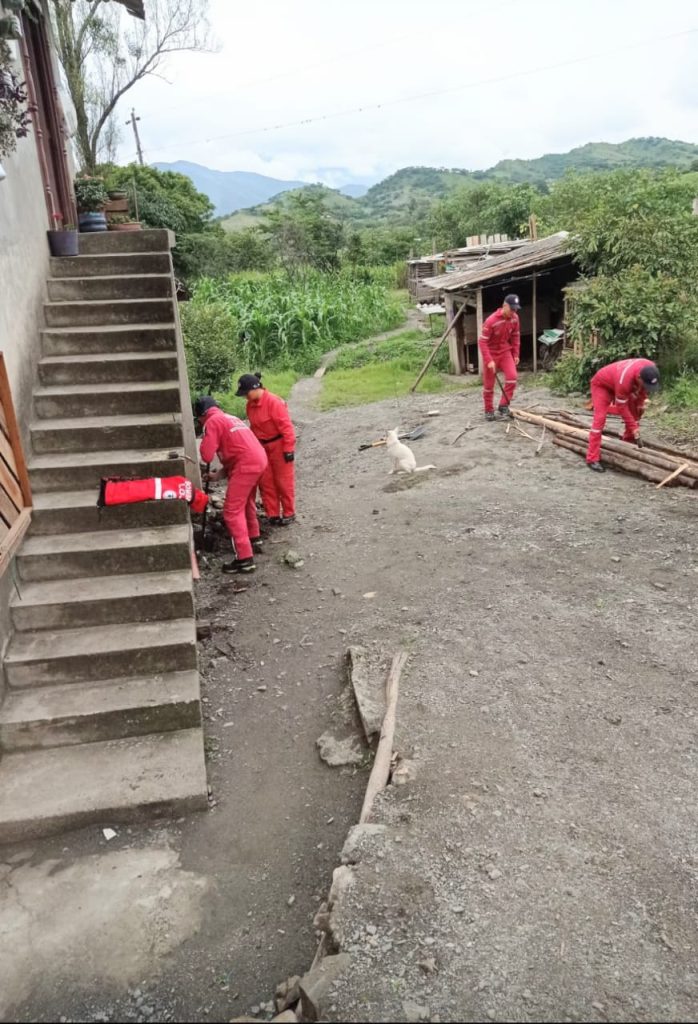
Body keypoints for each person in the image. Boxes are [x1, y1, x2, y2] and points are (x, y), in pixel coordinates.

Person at [195, 396, 268, 573]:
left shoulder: (211, 422)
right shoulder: (230, 418)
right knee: (247, 502)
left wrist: (206, 435)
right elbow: (236, 453)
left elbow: (206, 454)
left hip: (246, 465)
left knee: (231, 511)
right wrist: (216, 476)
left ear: (202, 415)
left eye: (198, 419)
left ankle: (244, 559)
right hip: (258, 460)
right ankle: (254, 537)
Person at [235, 373, 297, 525]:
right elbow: (253, 428)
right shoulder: (250, 405)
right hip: (262, 446)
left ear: (255, 388)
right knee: (266, 482)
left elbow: (287, 428)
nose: (245, 397)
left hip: (279, 445)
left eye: (246, 393)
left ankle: (289, 512)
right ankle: (272, 514)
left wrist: (288, 449)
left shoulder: (274, 402)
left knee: (283, 480)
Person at [586, 358, 660, 472]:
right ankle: (592, 458)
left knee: (636, 412)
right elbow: (622, 408)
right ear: (639, 378)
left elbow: (642, 391)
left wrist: (640, 404)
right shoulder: (624, 381)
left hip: (624, 382)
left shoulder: (650, 368)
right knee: (599, 419)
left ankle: (627, 443)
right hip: (602, 385)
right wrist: (634, 427)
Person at [479, 293, 521, 421]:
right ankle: (488, 410)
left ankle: (503, 405)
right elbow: (482, 342)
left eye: (516, 309)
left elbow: (515, 336)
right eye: (512, 309)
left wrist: (516, 354)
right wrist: (488, 360)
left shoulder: (515, 318)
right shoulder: (491, 321)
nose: (514, 312)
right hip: (491, 353)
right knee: (489, 384)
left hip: (505, 351)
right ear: (504, 306)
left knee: (512, 377)